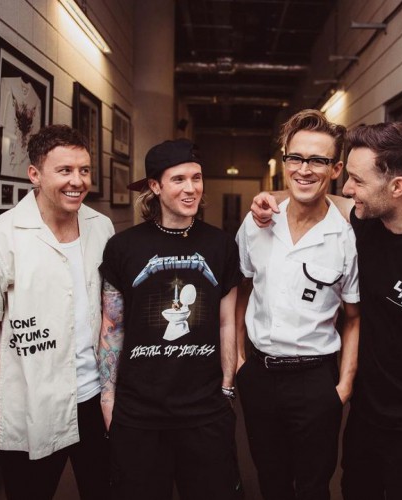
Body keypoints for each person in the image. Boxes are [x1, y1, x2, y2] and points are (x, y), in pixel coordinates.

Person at [251, 121, 402, 499]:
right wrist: (265, 198)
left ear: (397, 186)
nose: (348, 189)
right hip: (363, 422)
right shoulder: (366, 221)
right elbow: (312, 195)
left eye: (357, 180)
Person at [0, 124, 114, 499]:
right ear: (35, 174)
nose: (77, 181)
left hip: (96, 399)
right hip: (32, 405)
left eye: (84, 170)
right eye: (65, 170)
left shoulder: (101, 227)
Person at [98, 138, 242, 500]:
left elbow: (227, 322)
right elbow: (112, 327)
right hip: (139, 411)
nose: (191, 188)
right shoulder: (123, 247)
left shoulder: (221, 245)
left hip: (205, 409)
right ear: (155, 186)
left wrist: (226, 388)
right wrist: (108, 399)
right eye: (178, 179)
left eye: (196, 178)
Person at [234, 109, 360, 500]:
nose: (304, 170)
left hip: (315, 380)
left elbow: (354, 317)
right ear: (285, 162)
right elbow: (241, 290)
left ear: (335, 169)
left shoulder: (346, 237)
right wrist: (238, 361)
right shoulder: (256, 223)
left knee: (313, 486)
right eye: (296, 158)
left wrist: (344, 386)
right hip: (259, 376)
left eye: (318, 160)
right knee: (270, 480)